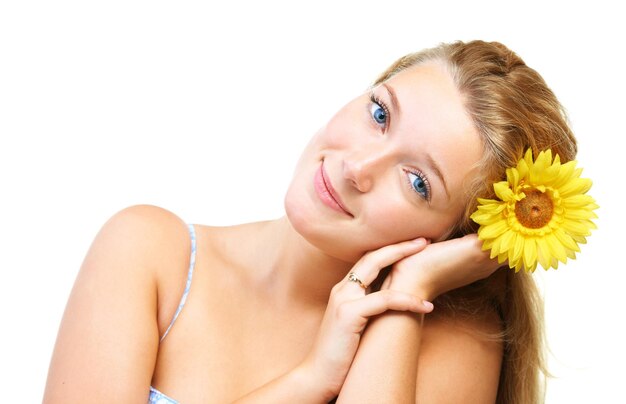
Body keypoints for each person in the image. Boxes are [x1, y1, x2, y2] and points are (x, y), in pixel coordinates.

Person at [44, 40, 576, 403]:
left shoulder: (451, 342)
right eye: (380, 114)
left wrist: (410, 285)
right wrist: (310, 381)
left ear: (455, 239)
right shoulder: (148, 253)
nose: (357, 168)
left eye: (417, 183)